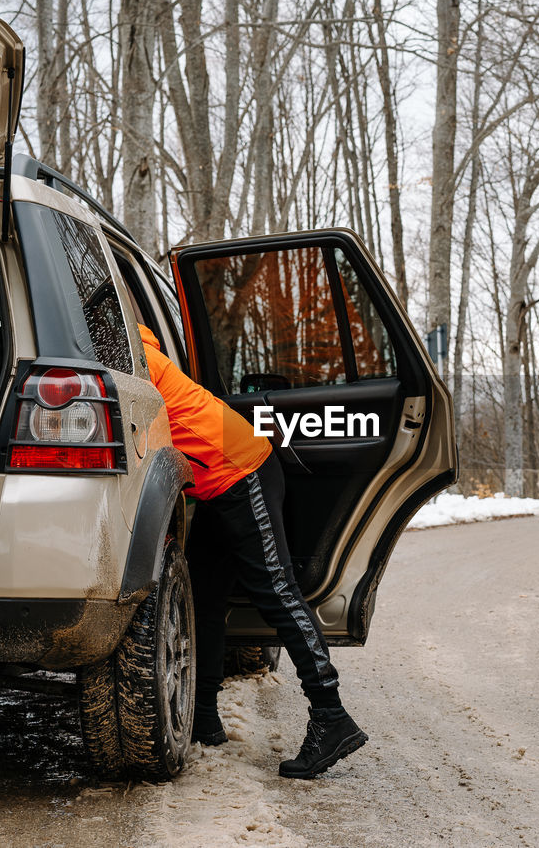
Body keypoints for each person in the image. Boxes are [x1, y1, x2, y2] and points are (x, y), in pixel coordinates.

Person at [136, 324, 367, 779]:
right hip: (215, 484)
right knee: (202, 598)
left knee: (276, 592)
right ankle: (203, 716)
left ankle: (331, 715)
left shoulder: (131, 359)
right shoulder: (136, 348)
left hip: (241, 470)